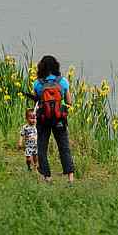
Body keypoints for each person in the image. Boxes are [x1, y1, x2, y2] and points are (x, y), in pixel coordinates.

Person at [33, 55, 75, 184]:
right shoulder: (62, 82)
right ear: (56, 66)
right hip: (59, 119)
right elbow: (69, 102)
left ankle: (47, 176)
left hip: (43, 119)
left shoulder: (37, 83)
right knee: (64, 147)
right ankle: (70, 178)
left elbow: (37, 102)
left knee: (42, 147)